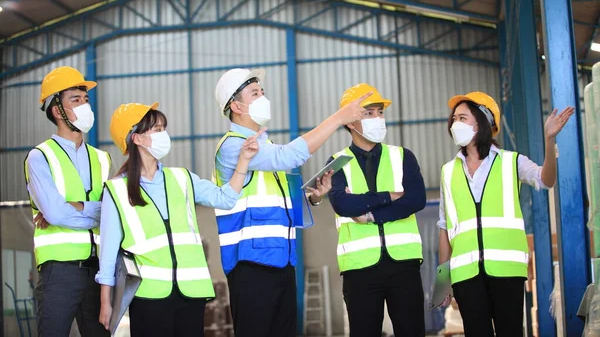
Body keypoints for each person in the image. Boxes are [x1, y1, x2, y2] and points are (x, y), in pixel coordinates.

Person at [212, 68, 369, 337]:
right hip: (250, 264)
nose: (263, 97)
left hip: (282, 261)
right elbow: (289, 157)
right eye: (255, 93)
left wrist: (313, 197)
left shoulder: (264, 145)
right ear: (236, 105)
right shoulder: (233, 147)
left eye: (262, 92)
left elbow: (277, 204)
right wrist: (337, 119)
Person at [96, 102, 261, 337]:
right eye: (156, 129)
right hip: (148, 295)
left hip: (191, 292)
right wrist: (106, 302)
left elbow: (225, 198)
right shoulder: (116, 190)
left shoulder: (182, 178)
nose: (164, 135)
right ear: (137, 138)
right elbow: (108, 253)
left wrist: (244, 160)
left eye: (164, 128)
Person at [438, 91, 575, 337]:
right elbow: (444, 225)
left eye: (463, 117)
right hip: (465, 274)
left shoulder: (511, 162)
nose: (455, 124)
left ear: (483, 121)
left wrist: (549, 140)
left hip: (506, 271)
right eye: (454, 119)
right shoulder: (448, 171)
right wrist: (442, 280)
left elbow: (546, 180)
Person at [326, 83, 427, 337]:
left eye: (380, 112)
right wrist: (390, 196)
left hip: (403, 264)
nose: (377, 119)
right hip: (359, 269)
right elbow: (343, 205)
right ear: (350, 122)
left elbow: (416, 199)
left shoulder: (403, 156)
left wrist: (370, 213)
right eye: (368, 113)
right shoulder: (337, 163)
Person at [24, 66, 111, 337]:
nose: (85, 106)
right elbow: (56, 213)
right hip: (58, 272)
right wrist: (96, 211)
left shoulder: (102, 158)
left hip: (99, 270)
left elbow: (116, 213)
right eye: (76, 100)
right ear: (56, 110)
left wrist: (79, 206)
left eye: (86, 100)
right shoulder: (40, 157)